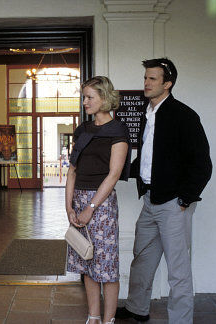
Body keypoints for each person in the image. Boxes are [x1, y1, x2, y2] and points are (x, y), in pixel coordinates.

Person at [115, 58, 212, 323]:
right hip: (149, 200)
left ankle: (180, 320)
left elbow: (202, 163)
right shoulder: (148, 115)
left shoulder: (184, 115)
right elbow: (147, 160)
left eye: (152, 79)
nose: (146, 83)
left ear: (167, 83)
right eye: (145, 78)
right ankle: (137, 308)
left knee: (178, 270)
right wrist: (114, 172)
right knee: (142, 259)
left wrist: (185, 198)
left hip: (174, 204)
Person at [66, 76, 131, 324]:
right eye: (84, 97)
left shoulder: (118, 130)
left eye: (89, 97)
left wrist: (91, 207)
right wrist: (69, 207)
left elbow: (114, 174)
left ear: (104, 98)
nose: (85, 102)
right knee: (87, 262)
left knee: (107, 266)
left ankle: (108, 320)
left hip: (101, 204)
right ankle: (93, 317)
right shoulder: (82, 130)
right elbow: (72, 170)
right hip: (79, 201)